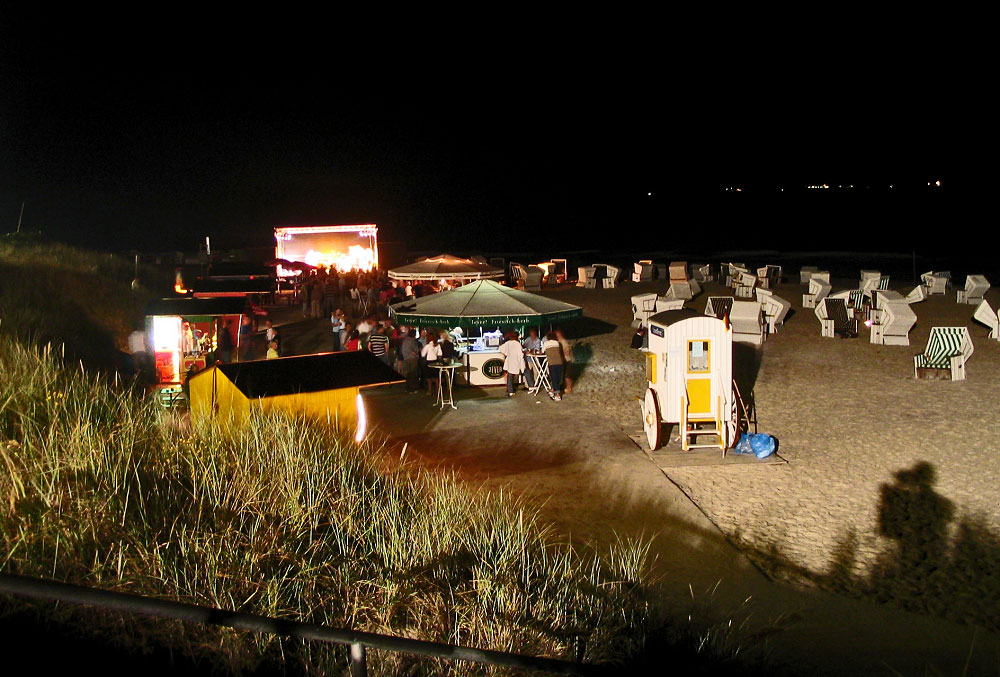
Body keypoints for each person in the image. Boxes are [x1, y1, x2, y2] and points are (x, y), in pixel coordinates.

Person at [498, 330, 526, 397]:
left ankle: (510, 390)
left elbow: (500, 348)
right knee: (523, 371)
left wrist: (506, 353)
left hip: (510, 360)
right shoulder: (517, 343)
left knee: (510, 375)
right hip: (516, 361)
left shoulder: (508, 343)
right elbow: (520, 354)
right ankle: (530, 385)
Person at [397, 328, 422, 393]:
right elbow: (416, 350)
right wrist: (417, 352)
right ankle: (412, 389)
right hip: (413, 359)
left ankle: (407, 388)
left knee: (408, 374)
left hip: (406, 358)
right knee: (413, 374)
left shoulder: (404, 340)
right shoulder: (413, 341)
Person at [542, 331, 564, 400]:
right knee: (557, 378)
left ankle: (557, 395)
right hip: (559, 362)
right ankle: (552, 390)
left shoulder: (546, 343)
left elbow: (542, 351)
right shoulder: (557, 343)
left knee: (554, 378)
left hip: (552, 363)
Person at [555, 328, 574, 393]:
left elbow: (567, 352)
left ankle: (569, 388)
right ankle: (566, 387)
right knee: (565, 375)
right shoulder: (560, 342)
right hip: (564, 360)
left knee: (567, 376)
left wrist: (561, 353)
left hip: (568, 360)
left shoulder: (563, 341)